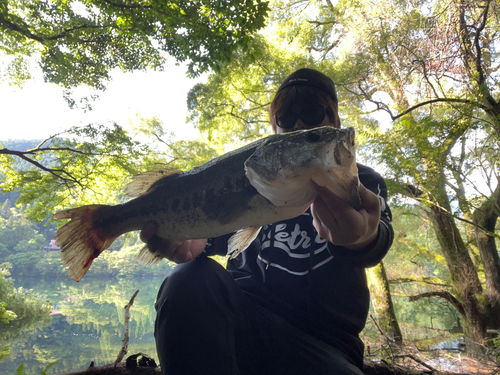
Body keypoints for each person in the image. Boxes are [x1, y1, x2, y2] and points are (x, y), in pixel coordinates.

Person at [143, 68, 394, 375]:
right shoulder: (251, 174)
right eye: (286, 119)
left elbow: (377, 239)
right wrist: (192, 240)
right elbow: (212, 240)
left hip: (326, 346)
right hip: (241, 326)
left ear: (335, 121)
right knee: (186, 279)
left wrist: (363, 238)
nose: (299, 124)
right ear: (275, 126)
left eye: (314, 114)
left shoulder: (363, 181)